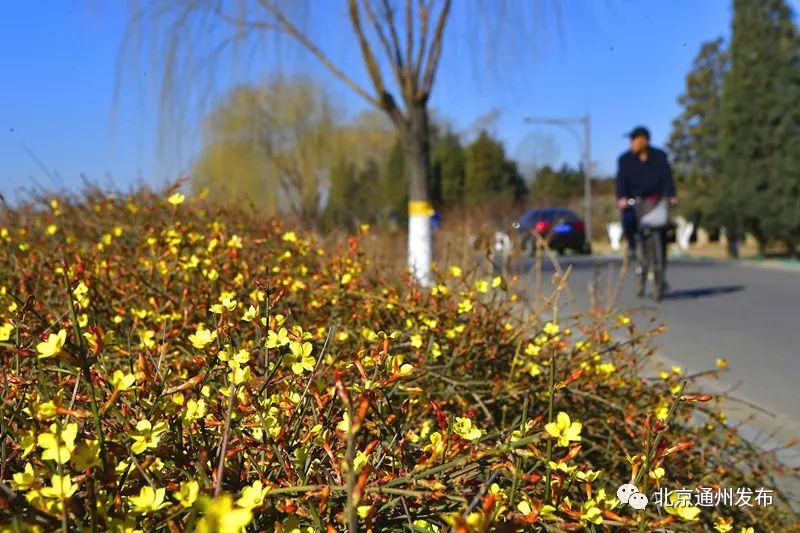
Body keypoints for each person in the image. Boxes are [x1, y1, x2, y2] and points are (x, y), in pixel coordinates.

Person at [615, 126, 678, 279]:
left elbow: (667, 178)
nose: (631, 143)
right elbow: (620, 181)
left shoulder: (659, 156)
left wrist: (671, 195)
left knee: (664, 227)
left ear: (644, 141)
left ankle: (660, 268)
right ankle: (632, 245)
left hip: (656, 200)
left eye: (634, 140)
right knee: (628, 218)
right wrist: (622, 198)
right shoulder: (625, 160)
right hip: (633, 200)